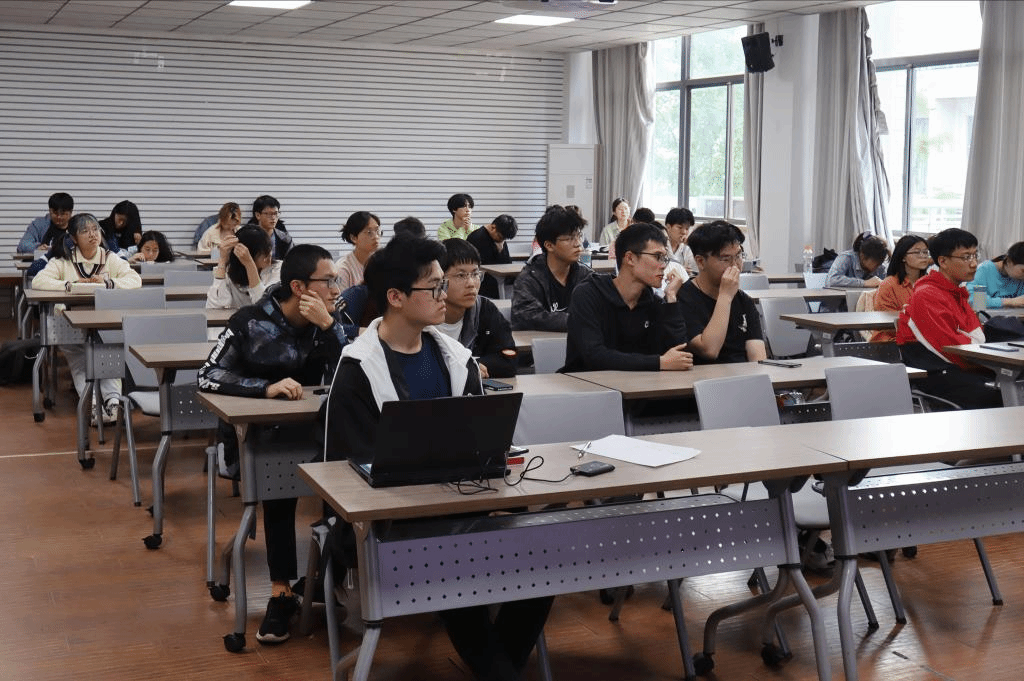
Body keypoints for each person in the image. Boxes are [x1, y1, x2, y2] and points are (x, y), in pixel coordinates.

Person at [324, 235, 551, 681]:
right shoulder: (358, 370)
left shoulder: (456, 359)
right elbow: (343, 474)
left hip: (462, 509)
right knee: (454, 563)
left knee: (545, 555)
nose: (445, 294)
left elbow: (483, 445)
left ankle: (497, 669)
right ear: (396, 297)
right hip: (388, 526)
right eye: (435, 286)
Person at [199, 244, 348, 644]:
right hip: (260, 440)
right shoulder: (250, 322)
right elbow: (208, 374)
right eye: (328, 281)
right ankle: (281, 591)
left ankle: (319, 578)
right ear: (299, 287)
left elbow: (356, 373)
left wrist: (330, 328)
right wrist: (263, 388)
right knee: (279, 483)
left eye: (336, 280)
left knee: (352, 482)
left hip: (317, 435)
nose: (337, 289)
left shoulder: (330, 318)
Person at [32, 213, 141, 424]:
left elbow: (135, 280)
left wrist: (109, 283)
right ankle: (91, 404)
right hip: (68, 324)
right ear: (73, 238)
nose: (92, 235)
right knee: (80, 362)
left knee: (109, 356)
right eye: (85, 231)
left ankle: (113, 402)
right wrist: (69, 285)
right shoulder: (63, 259)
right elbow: (39, 281)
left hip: (105, 323)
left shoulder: (110, 258)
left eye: (95, 229)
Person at [895, 228, 1002, 409]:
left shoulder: (956, 291)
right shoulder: (927, 294)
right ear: (943, 261)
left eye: (975, 255)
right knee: (1001, 393)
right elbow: (949, 348)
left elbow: (975, 334)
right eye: (966, 257)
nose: (974, 263)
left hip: (961, 366)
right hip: (937, 372)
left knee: (1012, 384)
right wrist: (993, 365)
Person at [562, 222, 691, 372]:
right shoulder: (588, 294)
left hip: (635, 384)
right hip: (584, 383)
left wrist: (671, 298)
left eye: (664, 258)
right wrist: (658, 363)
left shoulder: (652, 302)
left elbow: (680, 356)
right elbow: (594, 356)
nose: (664, 265)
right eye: (657, 257)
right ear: (630, 258)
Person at [676, 220, 767, 364]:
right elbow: (709, 350)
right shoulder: (683, 298)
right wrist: (725, 296)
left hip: (742, 375)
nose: (735, 265)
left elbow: (758, 359)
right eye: (726, 259)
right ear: (700, 262)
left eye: (738, 256)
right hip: (704, 376)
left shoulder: (744, 301)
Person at [439, 238, 517, 377]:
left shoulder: (485, 309)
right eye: (461, 275)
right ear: (439, 280)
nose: (471, 283)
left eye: (475, 274)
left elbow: (509, 360)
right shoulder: (422, 316)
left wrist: (471, 365)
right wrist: (463, 366)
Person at [511, 205, 593, 331]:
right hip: (540, 343)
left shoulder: (585, 275)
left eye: (579, 236)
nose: (578, 243)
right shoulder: (529, 280)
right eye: (569, 238)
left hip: (579, 342)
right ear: (549, 245)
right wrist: (580, 321)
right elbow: (528, 317)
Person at [870, 234, 931, 342]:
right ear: (903, 257)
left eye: (925, 252)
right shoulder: (889, 285)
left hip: (921, 338)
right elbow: (887, 323)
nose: (923, 256)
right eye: (917, 252)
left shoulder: (930, 284)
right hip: (891, 341)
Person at [207, 225, 281, 309]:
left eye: (269, 251)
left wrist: (250, 266)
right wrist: (222, 260)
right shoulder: (230, 271)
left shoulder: (278, 269)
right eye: (263, 254)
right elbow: (214, 307)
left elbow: (265, 306)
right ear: (242, 255)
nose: (269, 257)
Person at [466, 214, 518, 299]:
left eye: (504, 239)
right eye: (501, 237)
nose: (502, 240)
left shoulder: (499, 238)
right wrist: (499, 251)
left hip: (496, 279)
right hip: (484, 282)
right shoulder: (478, 238)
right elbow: (485, 265)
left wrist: (500, 250)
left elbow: (507, 263)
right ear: (493, 227)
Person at [968, 242, 1024, 309]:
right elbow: (976, 301)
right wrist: (1010, 302)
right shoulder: (985, 270)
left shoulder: (1020, 278)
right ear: (1009, 262)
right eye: (1023, 271)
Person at [335, 211, 381, 289]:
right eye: (369, 232)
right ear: (353, 238)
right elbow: (340, 296)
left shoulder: (382, 263)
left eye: (377, 231)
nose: (376, 237)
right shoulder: (343, 269)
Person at [245, 195, 292, 259]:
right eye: (269, 214)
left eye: (275, 213)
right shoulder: (247, 238)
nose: (273, 217)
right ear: (258, 215)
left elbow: (292, 261)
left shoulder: (285, 239)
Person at [665, 207, 697, 276]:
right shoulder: (661, 246)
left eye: (687, 228)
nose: (684, 232)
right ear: (668, 227)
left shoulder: (687, 248)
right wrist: (680, 270)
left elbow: (695, 269)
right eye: (680, 227)